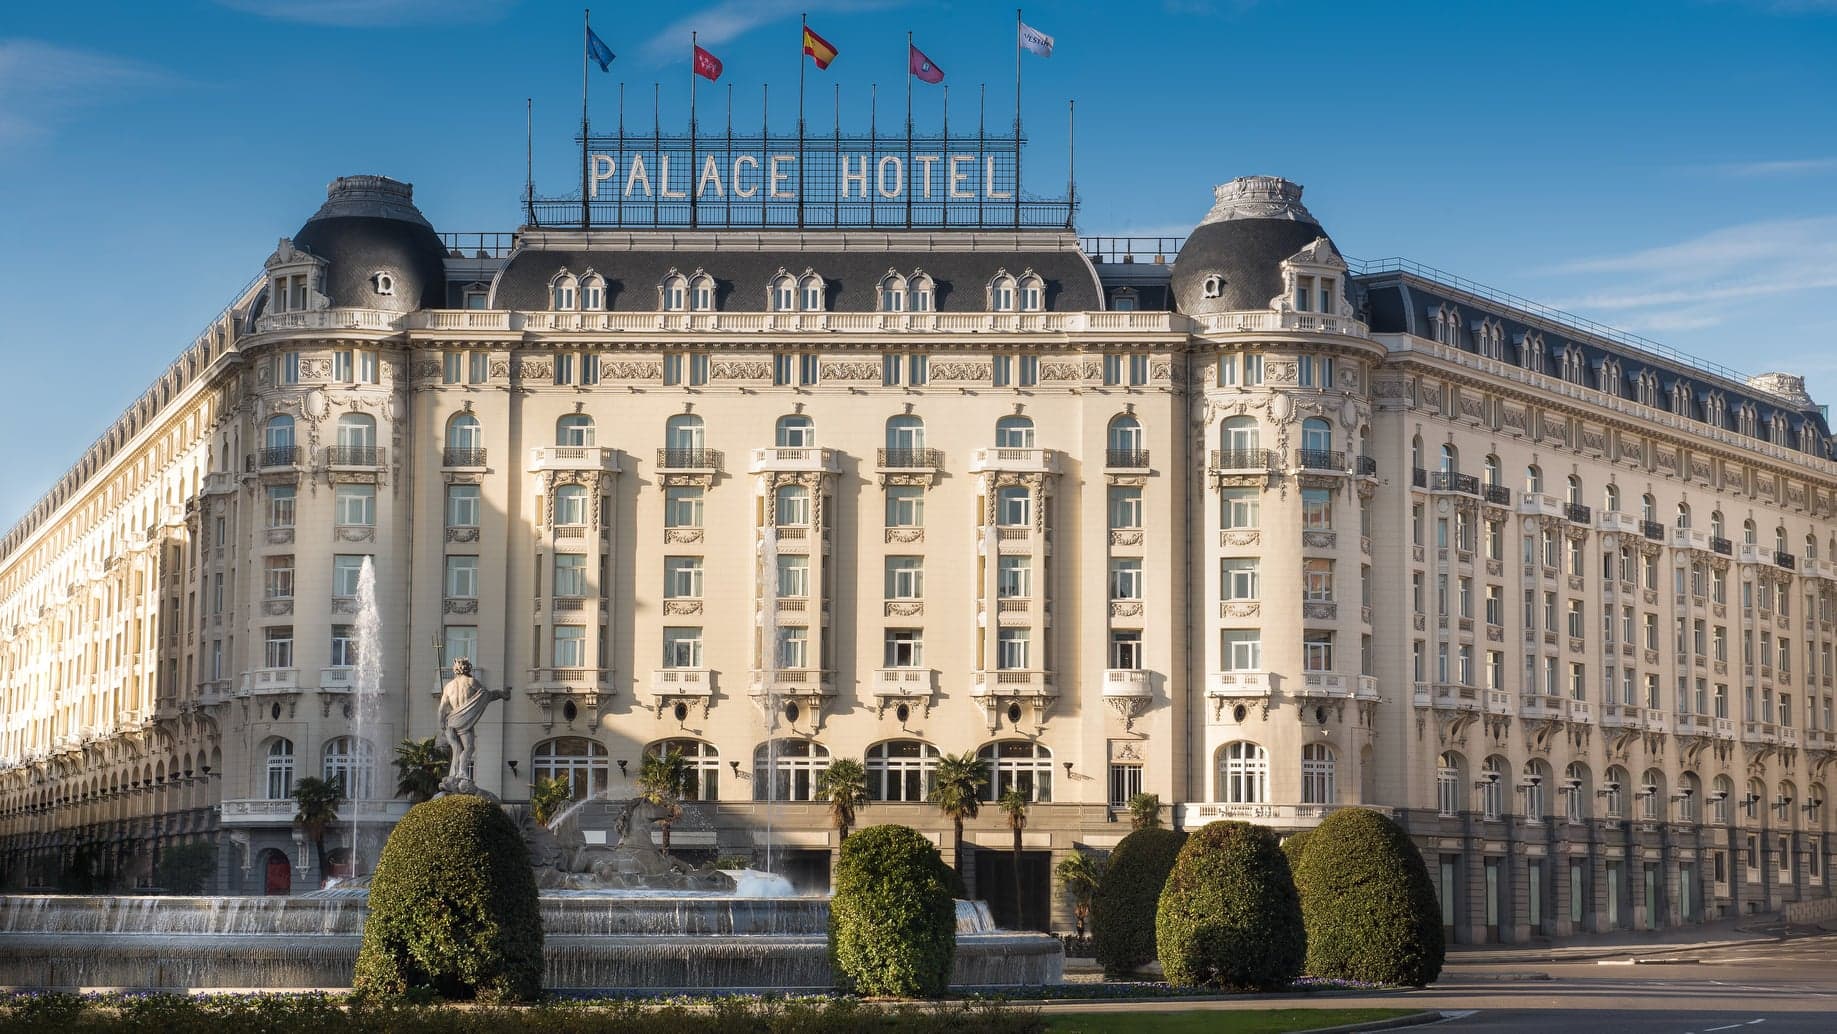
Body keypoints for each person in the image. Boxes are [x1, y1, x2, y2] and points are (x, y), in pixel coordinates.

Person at [437, 658, 510, 789]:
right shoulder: (471, 682)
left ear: (455, 670)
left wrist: (441, 722)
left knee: (456, 749)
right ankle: (462, 773)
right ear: (468, 668)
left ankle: (454, 775)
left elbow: (442, 708)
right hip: (463, 722)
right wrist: (503, 694)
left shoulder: (448, 687)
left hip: (450, 722)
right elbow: (487, 695)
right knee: (469, 748)